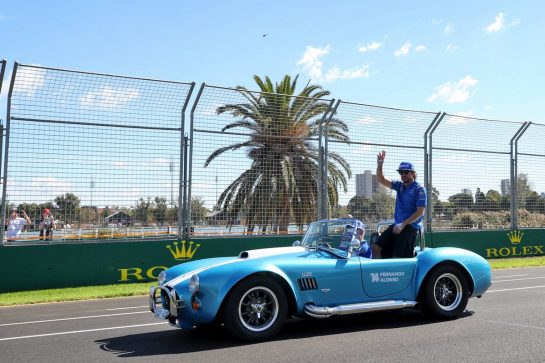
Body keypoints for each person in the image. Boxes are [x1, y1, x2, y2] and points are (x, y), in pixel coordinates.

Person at [372, 150, 426, 259]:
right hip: (397, 225)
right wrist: (380, 165)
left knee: (398, 257)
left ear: (413, 173)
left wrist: (403, 224)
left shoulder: (419, 189)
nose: (403, 175)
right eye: (401, 172)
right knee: (376, 248)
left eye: (406, 172)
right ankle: (379, 274)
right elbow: (381, 179)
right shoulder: (399, 186)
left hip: (410, 227)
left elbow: (420, 212)